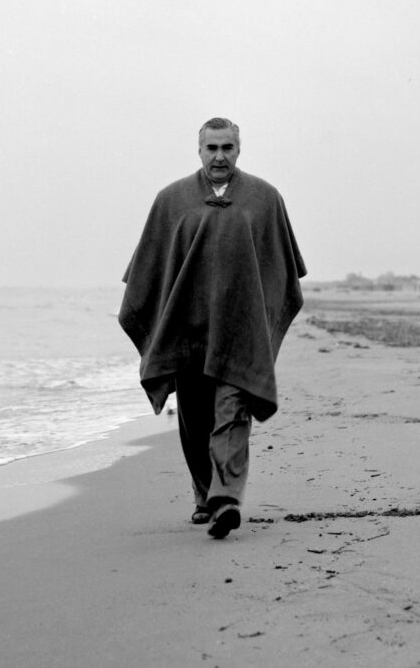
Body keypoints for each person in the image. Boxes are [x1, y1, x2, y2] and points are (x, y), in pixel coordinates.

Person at [119, 117, 307, 539]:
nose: (219, 156)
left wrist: (262, 319)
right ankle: (205, 494)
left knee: (232, 412)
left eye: (227, 148)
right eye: (212, 148)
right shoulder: (171, 201)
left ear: (239, 150)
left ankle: (226, 498)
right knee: (195, 418)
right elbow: (150, 269)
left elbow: (280, 271)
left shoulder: (264, 200)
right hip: (188, 331)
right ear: (199, 150)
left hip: (240, 332)